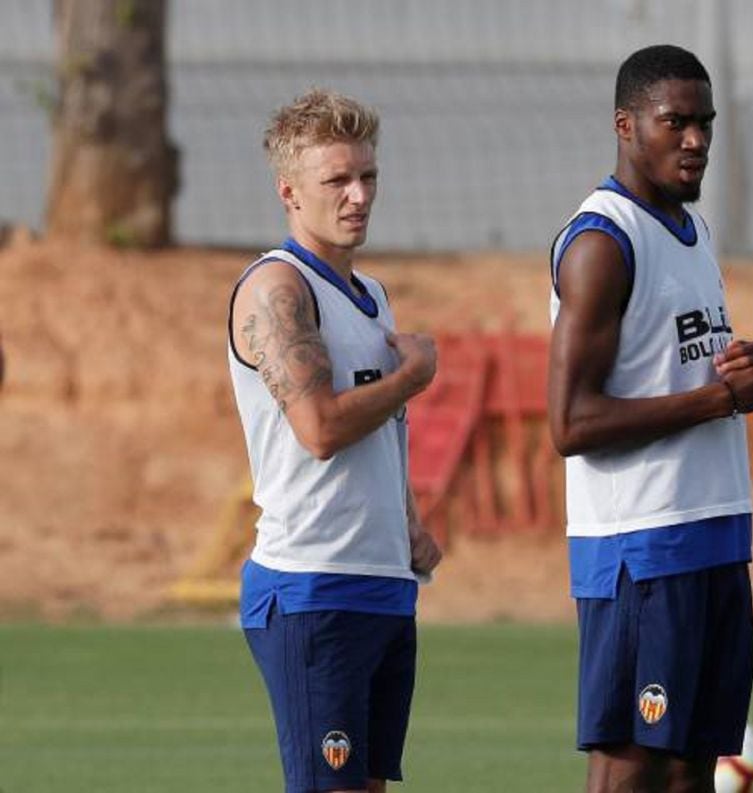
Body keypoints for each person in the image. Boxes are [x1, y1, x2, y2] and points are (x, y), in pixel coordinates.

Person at [547, 45, 753, 793]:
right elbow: (570, 423)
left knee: (690, 769)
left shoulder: (692, 229)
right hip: (641, 545)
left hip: (714, 531)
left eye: (704, 123)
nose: (695, 139)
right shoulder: (600, 242)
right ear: (625, 124)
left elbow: (679, 364)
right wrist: (719, 399)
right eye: (674, 121)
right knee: (629, 765)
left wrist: (751, 371)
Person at [228, 88, 442, 793]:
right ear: (289, 191)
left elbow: (378, 433)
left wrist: (407, 521)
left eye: (368, 176)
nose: (358, 196)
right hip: (312, 587)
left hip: (382, 583)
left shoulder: (372, 294)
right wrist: (412, 376)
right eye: (337, 181)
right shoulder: (276, 289)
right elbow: (319, 427)